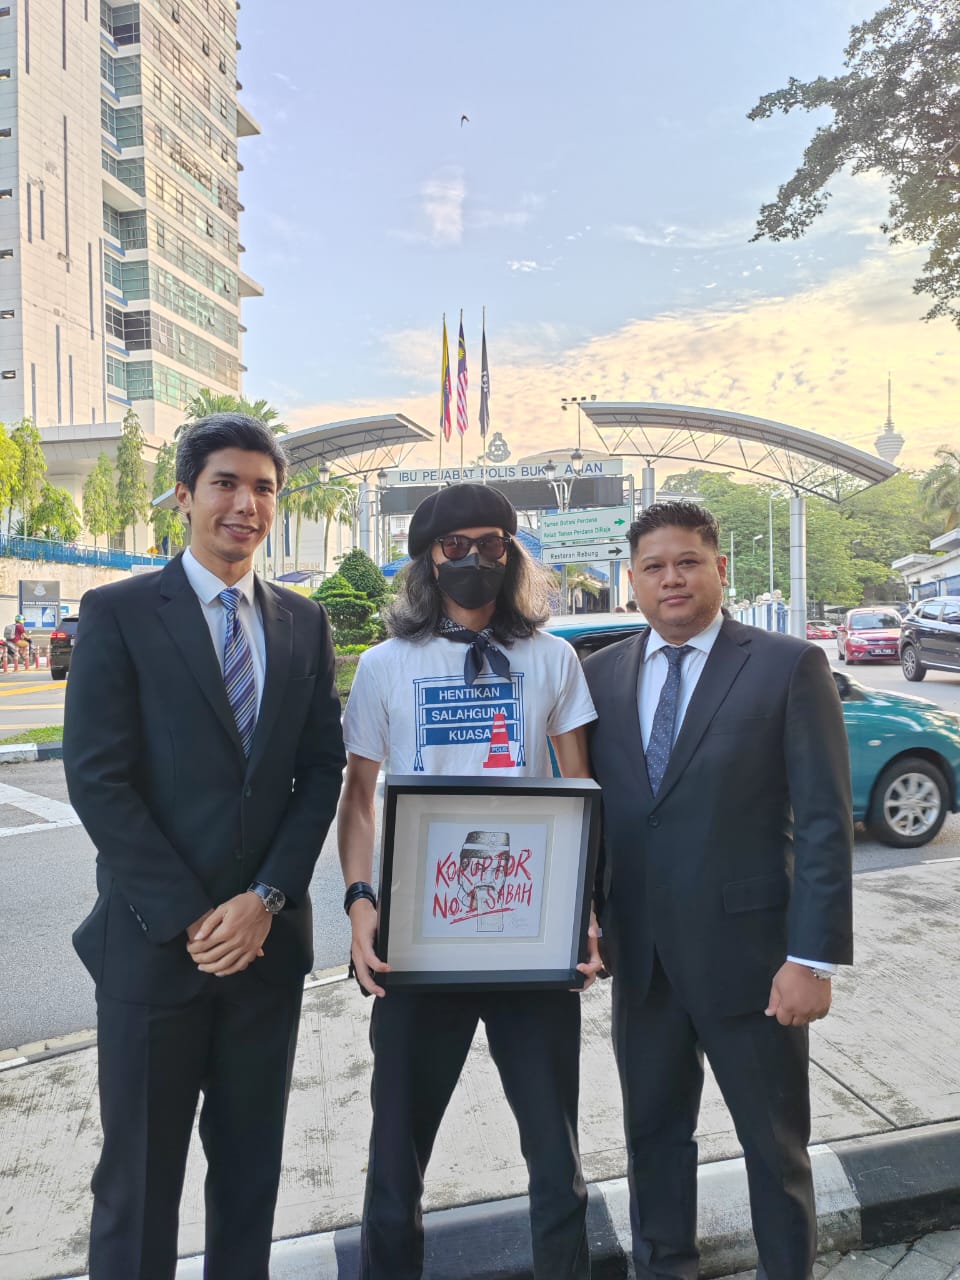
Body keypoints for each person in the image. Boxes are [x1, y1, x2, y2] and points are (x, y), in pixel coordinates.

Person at [63, 413, 346, 1280]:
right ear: (184, 496)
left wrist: (266, 900)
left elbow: (320, 772)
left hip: (266, 953)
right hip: (155, 951)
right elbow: (98, 778)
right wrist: (194, 917)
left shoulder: (303, 622)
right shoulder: (117, 613)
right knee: (139, 1184)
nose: (245, 504)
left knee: (252, 1176)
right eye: (226, 483)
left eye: (263, 488)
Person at [582, 501, 853, 1280]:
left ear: (719, 569)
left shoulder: (786, 666)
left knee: (774, 1150)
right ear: (632, 580)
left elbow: (825, 822)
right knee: (653, 1142)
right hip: (642, 965)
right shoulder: (599, 674)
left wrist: (813, 958)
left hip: (755, 964)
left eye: (688, 562)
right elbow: (593, 814)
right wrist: (584, 920)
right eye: (654, 567)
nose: (671, 578)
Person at [339, 482, 601, 1280]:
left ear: (512, 555)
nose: (474, 559)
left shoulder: (553, 659)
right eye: (455, 547)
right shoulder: (385, 666)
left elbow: (580, 791)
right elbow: (358, 798)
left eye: (491, 544)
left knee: (556, 1159)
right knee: (395, 1164)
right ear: (429, 560)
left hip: (532, 942)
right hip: (418, 943)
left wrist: (585, 913)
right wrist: (359, 901)